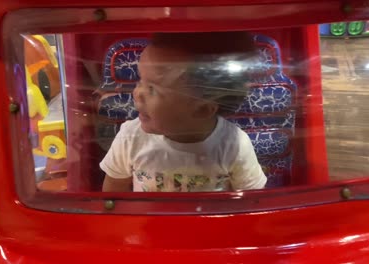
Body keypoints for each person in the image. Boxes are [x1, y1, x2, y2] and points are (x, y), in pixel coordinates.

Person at [101, 32, 266, 192]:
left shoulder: (234, 146)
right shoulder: (130, 137)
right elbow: (114, 190)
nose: (137, 93)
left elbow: (252, 200)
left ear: (202, 109)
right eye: (140, 81)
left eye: (152, 89)